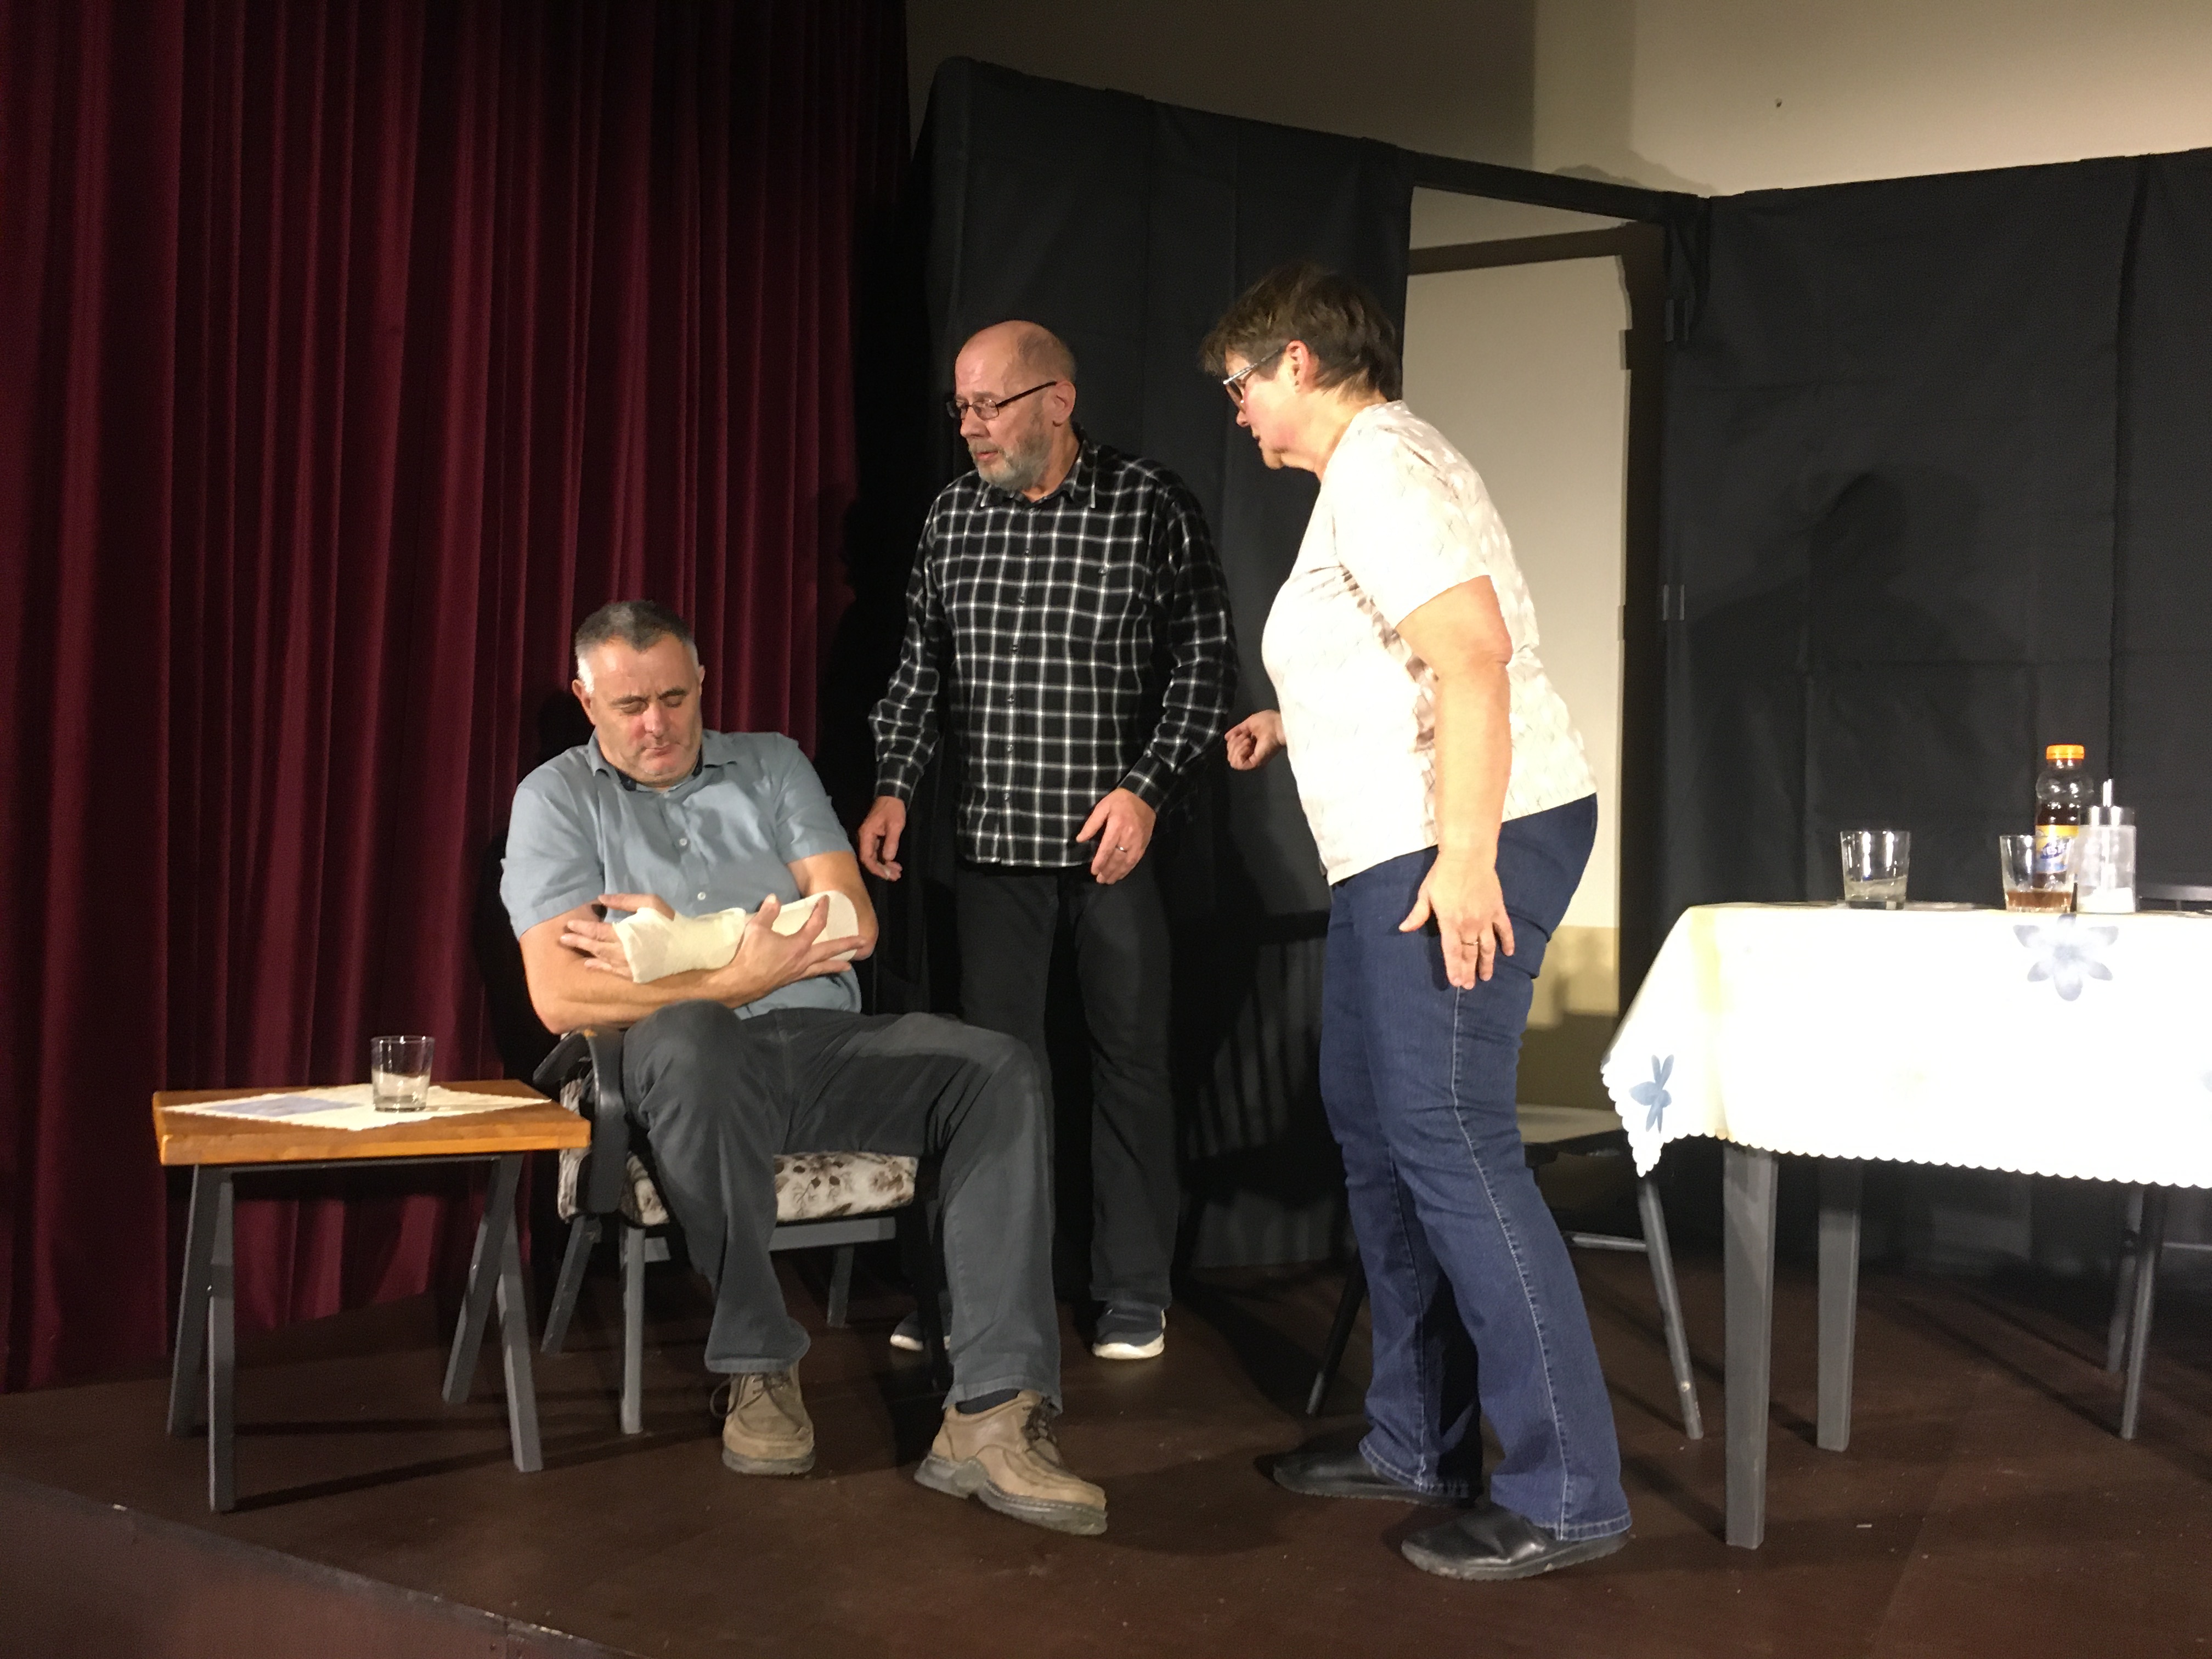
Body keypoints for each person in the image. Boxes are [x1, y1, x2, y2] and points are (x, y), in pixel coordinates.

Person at [500, 599, 1107, 1537]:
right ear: (587, 701)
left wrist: (671, 945)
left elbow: (851, 923)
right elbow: (561, 994)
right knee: (699, 1034)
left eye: (674, 698)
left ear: (703, 683)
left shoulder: (772, 764)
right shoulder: (556, 799)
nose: (657, 724)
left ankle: (991, 1415)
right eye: (630, 706)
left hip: (814, 1045)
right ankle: (758, 1364)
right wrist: (738, 969)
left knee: (995, 1068)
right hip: (671, 1059)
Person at [1204, 264, 1630, 1580]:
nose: (1237, 410)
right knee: (1378, 1131)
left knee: (1450, 1139)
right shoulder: (1365, 475)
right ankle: (1416, 1440)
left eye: (1241, 384)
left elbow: (1475, 654)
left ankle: (1569, 1492)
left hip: (1458, 843)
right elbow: (1399, 658)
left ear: (1297, 359)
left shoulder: (1382, 465)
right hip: (1397, 848)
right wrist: (1296, 720)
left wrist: (1467, 861)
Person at [859, 321, 1235, 1362]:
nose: (972, 428)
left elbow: (1204, 667)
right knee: (994, 1076)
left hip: (1116, 847)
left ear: (1057, 402)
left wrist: (1145, 792)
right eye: (962, 409)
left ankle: (1134, 1288)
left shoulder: (1148, 505)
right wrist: (895, 784)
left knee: (1130, 1066)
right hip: (995, 847)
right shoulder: (953, 517)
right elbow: (920, 671)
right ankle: (980, 1289)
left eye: (991, 406)